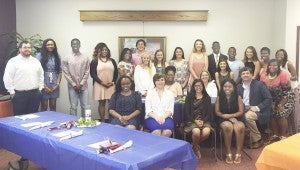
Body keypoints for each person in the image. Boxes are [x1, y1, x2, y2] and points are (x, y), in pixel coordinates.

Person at [3, 40, 44, 169]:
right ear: (20, 49)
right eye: (25, 47)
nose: (27, 49)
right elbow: (7, 77)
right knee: (20, 122)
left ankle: (31, 147)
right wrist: (11, 92)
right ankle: (21, 149)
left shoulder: (35, 61)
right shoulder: (13, 61)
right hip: (19, 95)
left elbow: (41, 75)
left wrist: (40, 89)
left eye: (29, 47)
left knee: (32, 122)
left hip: (34, 95)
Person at [237, 67, 272, 149]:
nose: (245, 75)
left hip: (259, 111)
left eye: (247, 73)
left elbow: (269, 99)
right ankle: (238, 140)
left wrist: (257, 107)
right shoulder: (238, 87)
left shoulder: (259, 84)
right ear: (241, 76)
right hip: (243, 109)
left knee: (247, 117)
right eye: (243, 73)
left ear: (252, 75)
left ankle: (257, 140)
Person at [260, 59, 294, 140]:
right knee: (271, 113)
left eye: (275, 65)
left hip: (286, 98)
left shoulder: (283, 74)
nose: (273, 67)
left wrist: (280, 104)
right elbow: (263, 90)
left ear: (278, 67)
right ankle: (275, 134)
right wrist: (270, 102)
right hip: (272, 98)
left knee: (280, 113)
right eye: (271, 65)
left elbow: (286, 92)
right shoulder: (263, 74)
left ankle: (283, 135)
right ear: (268, 66)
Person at [215, 79, 245, 164]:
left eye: (230, 86)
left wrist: (231, 116)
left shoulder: (238, 97)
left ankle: (238, 153)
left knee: (240, 127)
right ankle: (228, 153)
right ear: (222, 87)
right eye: (225, 86)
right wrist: (227, 117)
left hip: (237, 117)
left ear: (234, 87)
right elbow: (217, 112)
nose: (227, 88)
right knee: (228, 127)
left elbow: (241, 111)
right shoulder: (219, 97)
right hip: (223, 117)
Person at [184, 79, 212, 159]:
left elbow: (209, 114)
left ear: (203, 86)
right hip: (191, 120)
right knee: (196, 132)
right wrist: (195, 121)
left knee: (206, 132)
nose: (198, 87)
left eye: (200, 85)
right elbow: (187, 113)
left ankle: (193, 145)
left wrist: (202, 121)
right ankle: (196, 149)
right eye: (196, 85)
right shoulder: (189, 97)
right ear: (193, 87)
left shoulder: (207, 98)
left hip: (204, 120)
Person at [90, 42, 118, 122]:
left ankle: (113, 120)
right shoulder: (95, 61)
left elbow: (116, 73)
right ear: (99, 51)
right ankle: (103, 121)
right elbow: (93, 74)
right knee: (102, 103)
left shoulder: (112, 61)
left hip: (111, 85)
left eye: (106, 50)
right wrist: (102, 83)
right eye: (103, 50)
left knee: (112, 104)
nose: (105, 51)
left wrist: (113, 82)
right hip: (100, 85)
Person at [62, 38, 90, 117]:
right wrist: (74, 84)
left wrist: (81, 84)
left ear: (79, 45)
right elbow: (66, 73)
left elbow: (87, 72)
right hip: (72, 87)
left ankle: (86, 123)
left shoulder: (85, 57)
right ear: (71, 45)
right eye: (73, 44)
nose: (75, 45)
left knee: (86, 106)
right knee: (73, 107)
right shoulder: (66, 58)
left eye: (77, 44)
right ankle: (73, 123)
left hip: (83, 87)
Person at [35, 38, 62, 111]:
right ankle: (43, 122)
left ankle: (54, 121)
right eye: (48, 44)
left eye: (51, 44)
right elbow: (37, 72)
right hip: (43, 82)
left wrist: (57, 84)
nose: (50, 46)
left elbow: (60, 71)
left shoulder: (57, 56)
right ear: (45, 46)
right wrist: (44, 86)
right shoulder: (39, 55)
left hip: (55, 82)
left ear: (54, 46)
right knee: (44, 106)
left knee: (53, 105)